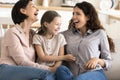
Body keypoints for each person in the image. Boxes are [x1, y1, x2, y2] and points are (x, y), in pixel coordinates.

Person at [55, 1, 115, 80]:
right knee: (60, 70)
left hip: (94, 73)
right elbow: (50, 35)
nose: (74, 17)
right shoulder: (66, 35)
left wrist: (97, 60)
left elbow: (108, 62)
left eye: (78, 14)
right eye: (73, 14)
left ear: (88, 17)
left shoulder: (99, 33)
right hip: (72, 75)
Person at [0, 0, 55, 80]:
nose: (37, 9)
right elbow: (21, 61)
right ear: (23, 11)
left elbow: (42, 56)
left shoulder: (33, 35)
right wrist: (49, 68)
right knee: (46, 73)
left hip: (25, 71)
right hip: (7, 69)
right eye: (33, 6)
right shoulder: (12, 32)